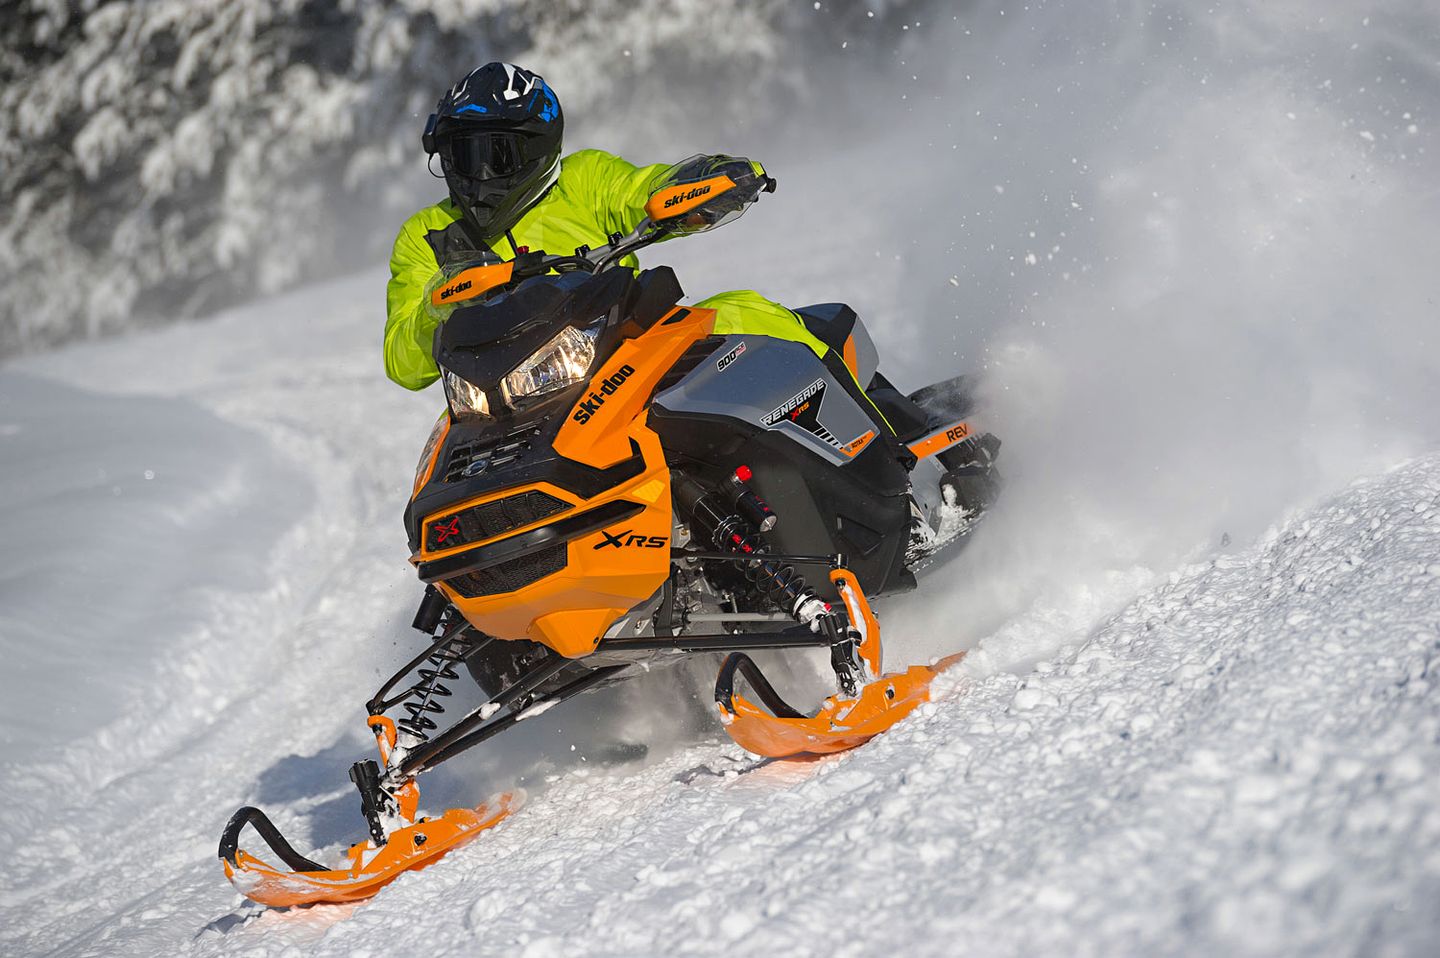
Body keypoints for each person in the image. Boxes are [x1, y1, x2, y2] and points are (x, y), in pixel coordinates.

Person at [383, 62, 832, 392]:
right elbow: (402, 362)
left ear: (538, 148)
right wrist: (437, 306)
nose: (478, 176)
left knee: (747, 314)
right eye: (461, 157)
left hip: (626, 352)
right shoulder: (427, 235)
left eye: (494, 156)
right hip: (502, 393)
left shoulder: (585, 180)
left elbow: (642, 189)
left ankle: (878, 455)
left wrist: (705, 181)